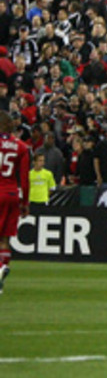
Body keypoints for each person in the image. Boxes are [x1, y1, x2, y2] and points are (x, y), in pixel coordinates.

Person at [0, 113, 30, 295]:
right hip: (11, 193)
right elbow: (25, 179)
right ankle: (2, 268)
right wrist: (25, 202)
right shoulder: (21, 146)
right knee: (5, 239)